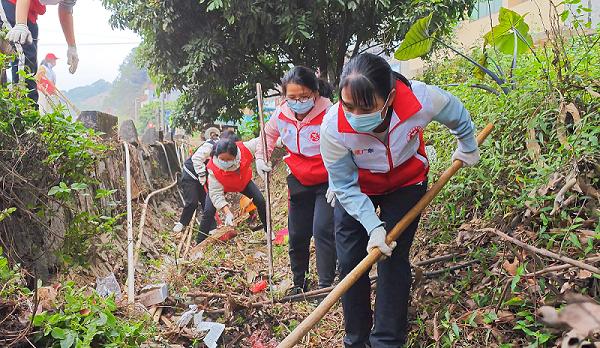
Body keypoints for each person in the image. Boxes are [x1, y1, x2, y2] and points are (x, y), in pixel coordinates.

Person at [320, 53, 480, 348]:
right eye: (348, 105)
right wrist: (372, 226)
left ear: (390, 96)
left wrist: (467, 145)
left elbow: (456, 113)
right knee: (350, 262)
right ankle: (356, 340)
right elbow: (343, 185)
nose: (355, 115)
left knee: (393, 259)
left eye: (366, 106)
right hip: (357, 189)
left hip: (406, 183)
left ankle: (386, 341)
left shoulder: (421, 99)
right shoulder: (332, 128)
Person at [255, 66, 337, 293]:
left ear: (316, 93)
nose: (298, 102)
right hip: (299, 178)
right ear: (284, 96)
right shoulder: (281, 114)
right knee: (298, 233)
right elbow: (268, 135)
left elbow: (345, 144)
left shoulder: (329, 114)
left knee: (322, 230)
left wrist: (339, 178)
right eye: (292, 97)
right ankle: (299, 282)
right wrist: (262, 157)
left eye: (304, 97)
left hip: (327, 179)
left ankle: (325, 286)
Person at [1, 0, 78, 102]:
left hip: (30, 13)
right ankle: (23, 111)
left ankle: (23, 108)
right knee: (23, 57)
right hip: (9, 3)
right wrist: (20, 24)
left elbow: (66, 10)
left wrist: (72, 46)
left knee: (30, 63)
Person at [198, 136, 267, 243]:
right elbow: (216, 193)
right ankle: (199, 242)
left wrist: (281, 140)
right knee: (208, 211)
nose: (225, 162)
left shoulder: (245, 149)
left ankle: (268, 231)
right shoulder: (213, 167)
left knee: (261, 201)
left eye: (229, 159)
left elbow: (264, 140)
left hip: (243, 183)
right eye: (222, 159)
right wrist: (228, 213)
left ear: (235, 156)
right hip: (222, 185)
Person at [173, 128, 229, 233]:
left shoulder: (226, 151)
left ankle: (212, 227)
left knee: (207, 202)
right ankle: (182, 223)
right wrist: (202, 175)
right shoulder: (210, 146)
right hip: (190, 174)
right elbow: (196, 159)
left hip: (203, 176)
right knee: (192, 202)